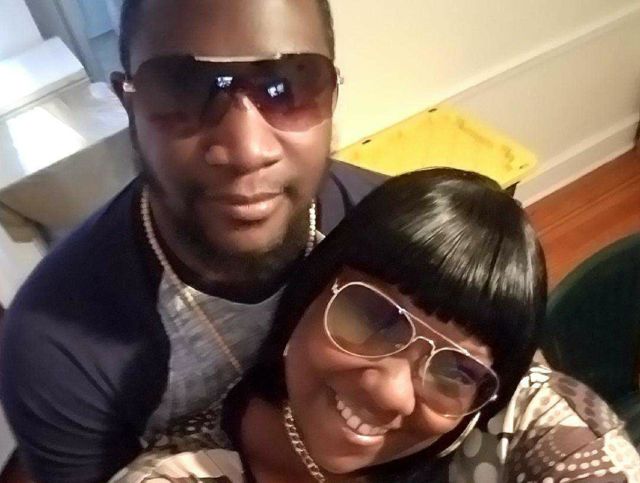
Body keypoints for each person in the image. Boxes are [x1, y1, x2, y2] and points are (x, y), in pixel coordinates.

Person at [0, 1, 384, 481]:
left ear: (331, 94)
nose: (246, 151)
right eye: (183, 89)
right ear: (129, 104)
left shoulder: (386, 228)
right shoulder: (57, 348)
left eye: (286, 86)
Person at [112, 169, 640, 482]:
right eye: (374, 316)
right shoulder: (186, 470)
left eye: (456, 369)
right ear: (309, 293)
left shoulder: (533, 419)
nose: (392, 393)